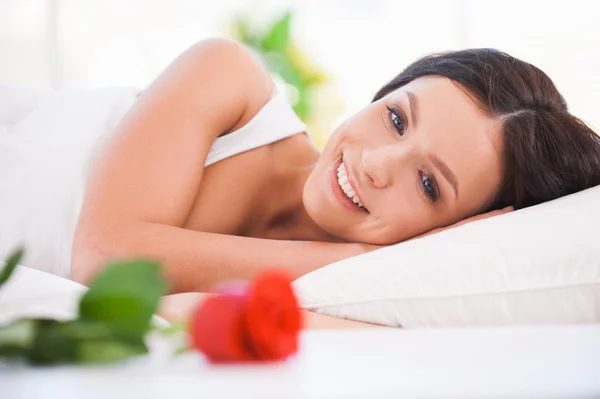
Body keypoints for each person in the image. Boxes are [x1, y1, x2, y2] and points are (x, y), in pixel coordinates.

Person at [71, 38, 600, 295]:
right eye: (396, 118)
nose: (375, 164)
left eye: (427, 184)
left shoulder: (347, 299)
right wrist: (353, 258)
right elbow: (105, 258)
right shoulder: (227, 78)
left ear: (450, 232)